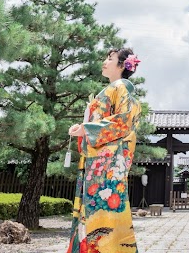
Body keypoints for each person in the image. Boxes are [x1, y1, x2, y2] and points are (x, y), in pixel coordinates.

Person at [66, 48, 143, 253]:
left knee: (105, 210)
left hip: (107, 163)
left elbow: (124, 120)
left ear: (122, 65)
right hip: (97, 160)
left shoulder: (122, 86)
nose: (104, 62)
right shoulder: (112, 88)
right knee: (95, 210)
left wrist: (87, 129)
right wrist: (84, 131)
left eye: (110, 59)